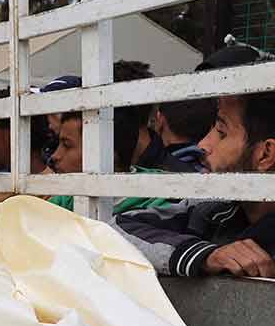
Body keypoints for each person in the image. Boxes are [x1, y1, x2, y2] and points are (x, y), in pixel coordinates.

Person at [114, 91, 275, 278]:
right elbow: (115, 230)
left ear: (265, 155)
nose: (202, 144)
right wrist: (203, 255)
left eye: (221, 133)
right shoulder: (212, 212)